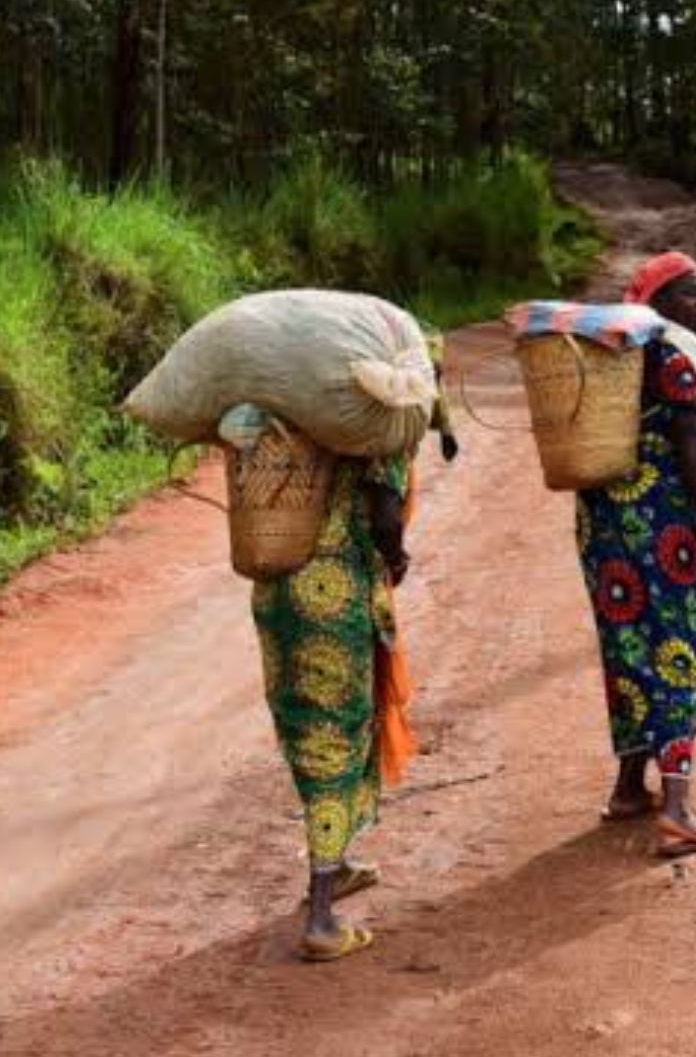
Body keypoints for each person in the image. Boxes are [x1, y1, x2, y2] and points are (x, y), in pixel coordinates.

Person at [249, 342, 454, 964]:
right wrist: (394, 557)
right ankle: (319, 916)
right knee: (337, 738)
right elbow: (386, 514)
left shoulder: (285, 419)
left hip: (278, 595)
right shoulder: (380, 428)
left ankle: (334, 868)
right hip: (336, 604)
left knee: (307, 727)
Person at [577, 251, 696, 858]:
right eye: (693, 293)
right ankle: (677, 809)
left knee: (625, 647)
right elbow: (691, 440)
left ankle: (627, 789)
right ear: (661, 300)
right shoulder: (671, 355)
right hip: (661, 527)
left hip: (602, 529)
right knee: (677, 649)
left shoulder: (612, 352)